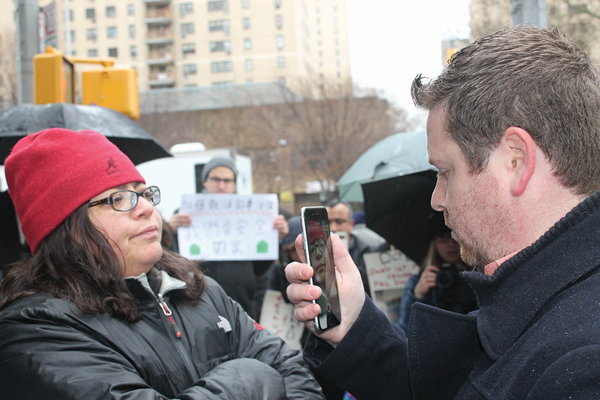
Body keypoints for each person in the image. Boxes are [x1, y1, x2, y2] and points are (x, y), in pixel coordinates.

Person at [285, 24, 600, 399]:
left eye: (446, 172)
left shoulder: (581, 365)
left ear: (516, 161)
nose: (437, 199)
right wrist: (353, 325)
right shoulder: (551, 309)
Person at [0, 128, 324, 400]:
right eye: (117, 198)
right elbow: (268, 372)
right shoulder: (38, 331)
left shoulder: (201, 291)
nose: (144, 208)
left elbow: (294, 373)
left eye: (143, 193)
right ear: (68, 229)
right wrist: (251, 377)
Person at [167, 156, 289, 320]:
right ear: (205, 181)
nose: (221, 185)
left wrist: (276, 238)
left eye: (227, 180)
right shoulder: (184, 213)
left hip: (242, 301)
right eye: (216, 179)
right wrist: (169, 231)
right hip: (200, 301)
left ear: (234, 184)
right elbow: (172, 260)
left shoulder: (250, 213)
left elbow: (260, 267)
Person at [397, 212, 478, 333]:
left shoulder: (478, 273)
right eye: (443, 237)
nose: (451, 244)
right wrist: (418, 296)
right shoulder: (419, 281)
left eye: (455, 236)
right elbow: (406, 332)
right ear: (433, 242)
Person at [325, 201, 386, 295]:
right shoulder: (316, 254)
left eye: (339, 221)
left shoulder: (368, 253)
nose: (333, 228)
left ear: (351, 224)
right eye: (328, 222)